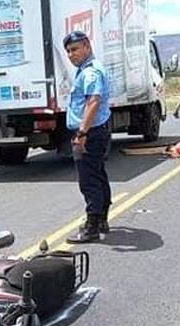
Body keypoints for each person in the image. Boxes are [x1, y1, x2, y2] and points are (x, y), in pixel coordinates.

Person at [62, 31, 112, 244]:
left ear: (87, 46)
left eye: (74, 49)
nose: (71, 55)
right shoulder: (88, 70)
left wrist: (82, 133)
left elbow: (93, 102)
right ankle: (101, 219)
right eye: (68, 51)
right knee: (98, 174)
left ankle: (92, 226)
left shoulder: (90, 73)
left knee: (89, 180)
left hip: (90, 132)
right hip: (96, 130)